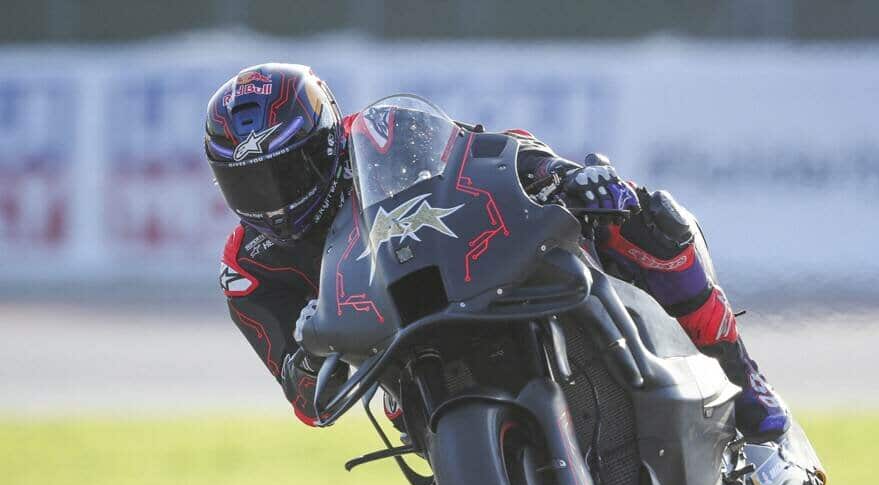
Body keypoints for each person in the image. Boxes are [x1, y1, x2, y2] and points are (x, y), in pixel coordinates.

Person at [206, 63, 788, 441]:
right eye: (250, 185)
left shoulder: (379, 136)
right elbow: (307, 402)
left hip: (475, 274)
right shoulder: (247, 267)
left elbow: (484, 154)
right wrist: (311, 353)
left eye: (289, 171)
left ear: (328, 141)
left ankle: (741, 375)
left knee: (649, 220)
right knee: (414, 442)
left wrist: (561, 176)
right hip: (403, 359)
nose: (275, 200)